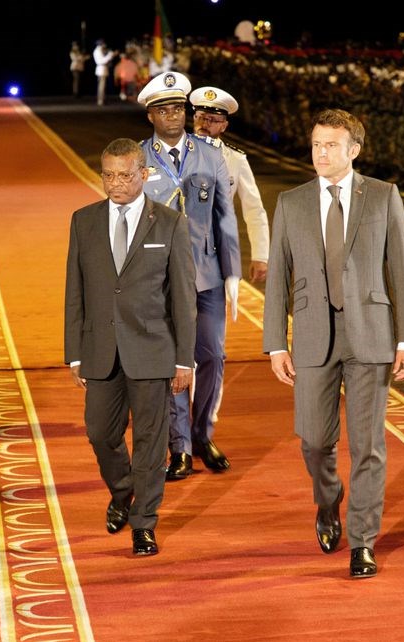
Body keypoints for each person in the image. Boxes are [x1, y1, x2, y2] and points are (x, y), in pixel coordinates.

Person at [263, 108, 404, 579]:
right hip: (312, 337)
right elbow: (277, 281)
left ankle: (363, 540)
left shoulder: (383, 197)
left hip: (371, 335)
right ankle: (328, 501)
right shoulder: (291, 202)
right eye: (316, 144)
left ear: (354, 150)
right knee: (314, 442)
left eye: (331, 145)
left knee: (369, 445)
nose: (321, 153)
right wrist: (276, 342)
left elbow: (401, 270)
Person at [64, 138, 196, 556]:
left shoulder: (170, 223)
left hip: (153, 350)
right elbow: (75, 291)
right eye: (108, 175)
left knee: (151, 443)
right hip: (100, 350)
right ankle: (123, 491)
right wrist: (75, 352)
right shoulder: (83, 221)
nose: (115, 183)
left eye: (124, 175)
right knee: (100, 433)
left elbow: (183, 299)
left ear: (143, 174)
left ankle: (144, 523)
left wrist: (184, 359)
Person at [137, 71, 241, 480]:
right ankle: (178, 446)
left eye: (178, 107)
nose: (173, 116)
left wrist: (232, 272)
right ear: (151, 116)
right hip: (160, 279)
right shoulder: (139, 158)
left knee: (212, 356)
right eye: (164, 110)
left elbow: (224, 215)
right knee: (172, 362)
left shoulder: (210, 153)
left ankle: (202, 434)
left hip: (207, 273)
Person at [189, 85, 269, 282]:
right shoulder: (173, 154)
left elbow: (254, 210)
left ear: (224, 126)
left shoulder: (235, 160)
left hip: (216, 252)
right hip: (178, 248)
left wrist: (261, 255)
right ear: (193, 118)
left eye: (213, 120)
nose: (205, 123)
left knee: (212, 310)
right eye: (201, 117)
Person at [92, 39, 116, 106]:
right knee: (101, 87)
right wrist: (110, 55)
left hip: (103, 69)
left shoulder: (100, 50)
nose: (104, 45)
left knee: (102, 86)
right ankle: (100, 100)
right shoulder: (98, 51)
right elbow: (101, 61)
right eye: (103, 44)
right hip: (101, 70)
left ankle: (102, 100)